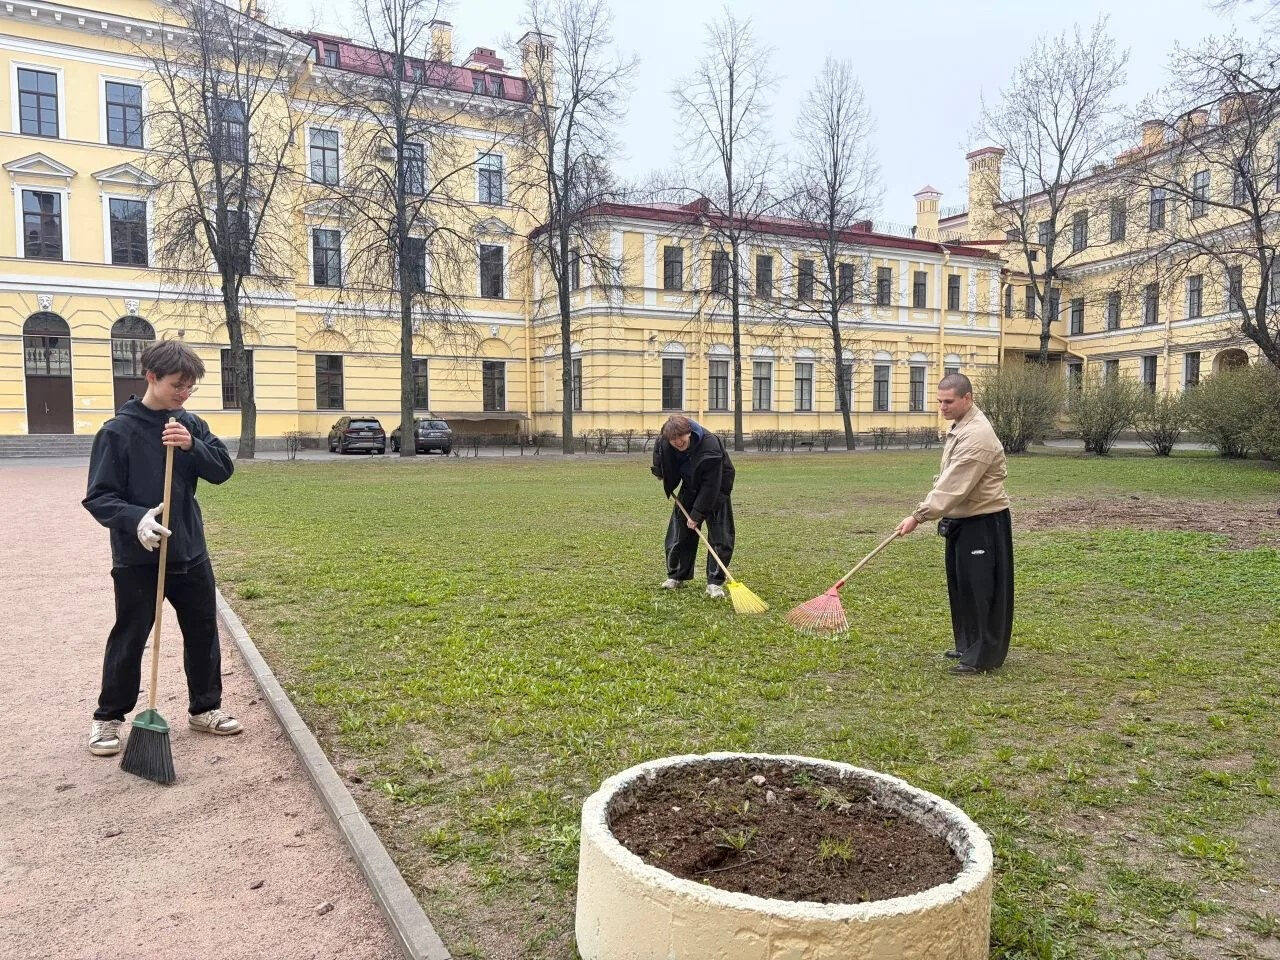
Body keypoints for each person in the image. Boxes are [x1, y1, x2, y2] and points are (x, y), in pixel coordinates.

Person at [82, 339, 240, 756]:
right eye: (177, 385)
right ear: (151, 376)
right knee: (130, 635)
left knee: (202, 630)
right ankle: (108, 718)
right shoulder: (116, 431)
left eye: (190, 387)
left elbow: (223, 471)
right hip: (139, 556)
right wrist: (137, 519)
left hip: (190, 551)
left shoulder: (190, 424)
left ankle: (205, 708)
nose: (183, 394)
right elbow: (99, 497)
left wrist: (192, 445)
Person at [895, 373, 1013, 675]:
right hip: (962, 518)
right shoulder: (960, 427)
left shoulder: (978, 436)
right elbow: (949, 480)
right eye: (939, 401)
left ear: (967, 399)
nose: (942, 407)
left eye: (948, 401)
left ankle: (983, 656)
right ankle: (968, 645)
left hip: (983, 522)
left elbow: (954, 485)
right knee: (962, 587)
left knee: (981, 589)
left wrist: (919, 516)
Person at [650, 415, 736, 598]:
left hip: (718, 486)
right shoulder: (665, 441)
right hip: (690, 485)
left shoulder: (710, 445)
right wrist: (659, 471)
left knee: (720, 535)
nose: (677, 442)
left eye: (681, 437)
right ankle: (676, 575)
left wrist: (697, 514)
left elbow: (711, 486)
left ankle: (715, 582)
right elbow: (660, 456)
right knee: (679, 531)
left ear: (689, 432)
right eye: (673, 439)